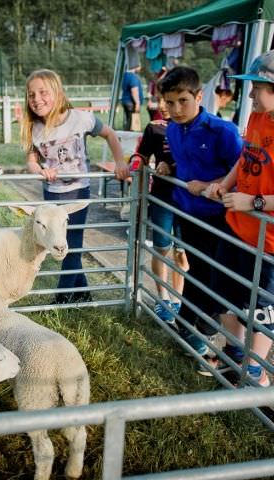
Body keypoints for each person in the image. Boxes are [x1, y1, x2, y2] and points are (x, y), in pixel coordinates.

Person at [198, 50, 274, 387]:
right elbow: (246, 157)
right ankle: (235, 356)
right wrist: (224, 185)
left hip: (269, 242)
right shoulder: (258, 118)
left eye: (258, 87)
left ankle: (255, 373)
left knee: (262, 310)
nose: (252, 94)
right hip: (238, 228)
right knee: (225, 293)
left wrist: (252, 202)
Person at [21, 68, 129, 304]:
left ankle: (61, 300)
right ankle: (83, 294)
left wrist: (120, 161)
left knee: (68, 244)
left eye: (42, 92)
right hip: (51, 193)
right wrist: (40, 170)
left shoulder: (80, 118)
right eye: (31, 95)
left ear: (57, 92)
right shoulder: (34, 127)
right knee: (61, 241)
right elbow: (31, 161)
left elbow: (110, 134)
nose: (37, 99)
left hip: (78, 191)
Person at [158, 66, 243, 356]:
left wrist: (209, 184)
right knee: (196, 271)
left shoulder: (223, 131)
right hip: (188, 211)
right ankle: (187, 328)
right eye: (170, 103)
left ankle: (204, 328)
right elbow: (183, 163)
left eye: (183, 101)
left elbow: (240, 173)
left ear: (199, 96)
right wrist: (168, 167)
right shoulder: (172, 128)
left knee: (217, 279)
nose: (176, 109)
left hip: (220, 217)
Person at [130, 96, 189, 326]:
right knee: (161, 249)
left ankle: (178, 298)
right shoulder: (154, 128)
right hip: (162, 199)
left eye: (171, 100)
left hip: (187, 201)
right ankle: (163, 299)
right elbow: (141, 156)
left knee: (183, 253)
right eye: (160, 100)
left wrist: (171, 166)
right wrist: (134, 167)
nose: (164, 105)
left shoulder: (192, 127)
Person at [121, 66, 144, 131]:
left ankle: (126, 136)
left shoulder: (126, 75)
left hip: (126, 101)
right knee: (132, 124)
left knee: (129, 121)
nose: (140, 67)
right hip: (131, 103)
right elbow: (134, 90)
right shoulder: (133, 76)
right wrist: (137, 103)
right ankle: (127, 139)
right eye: (139, 66)